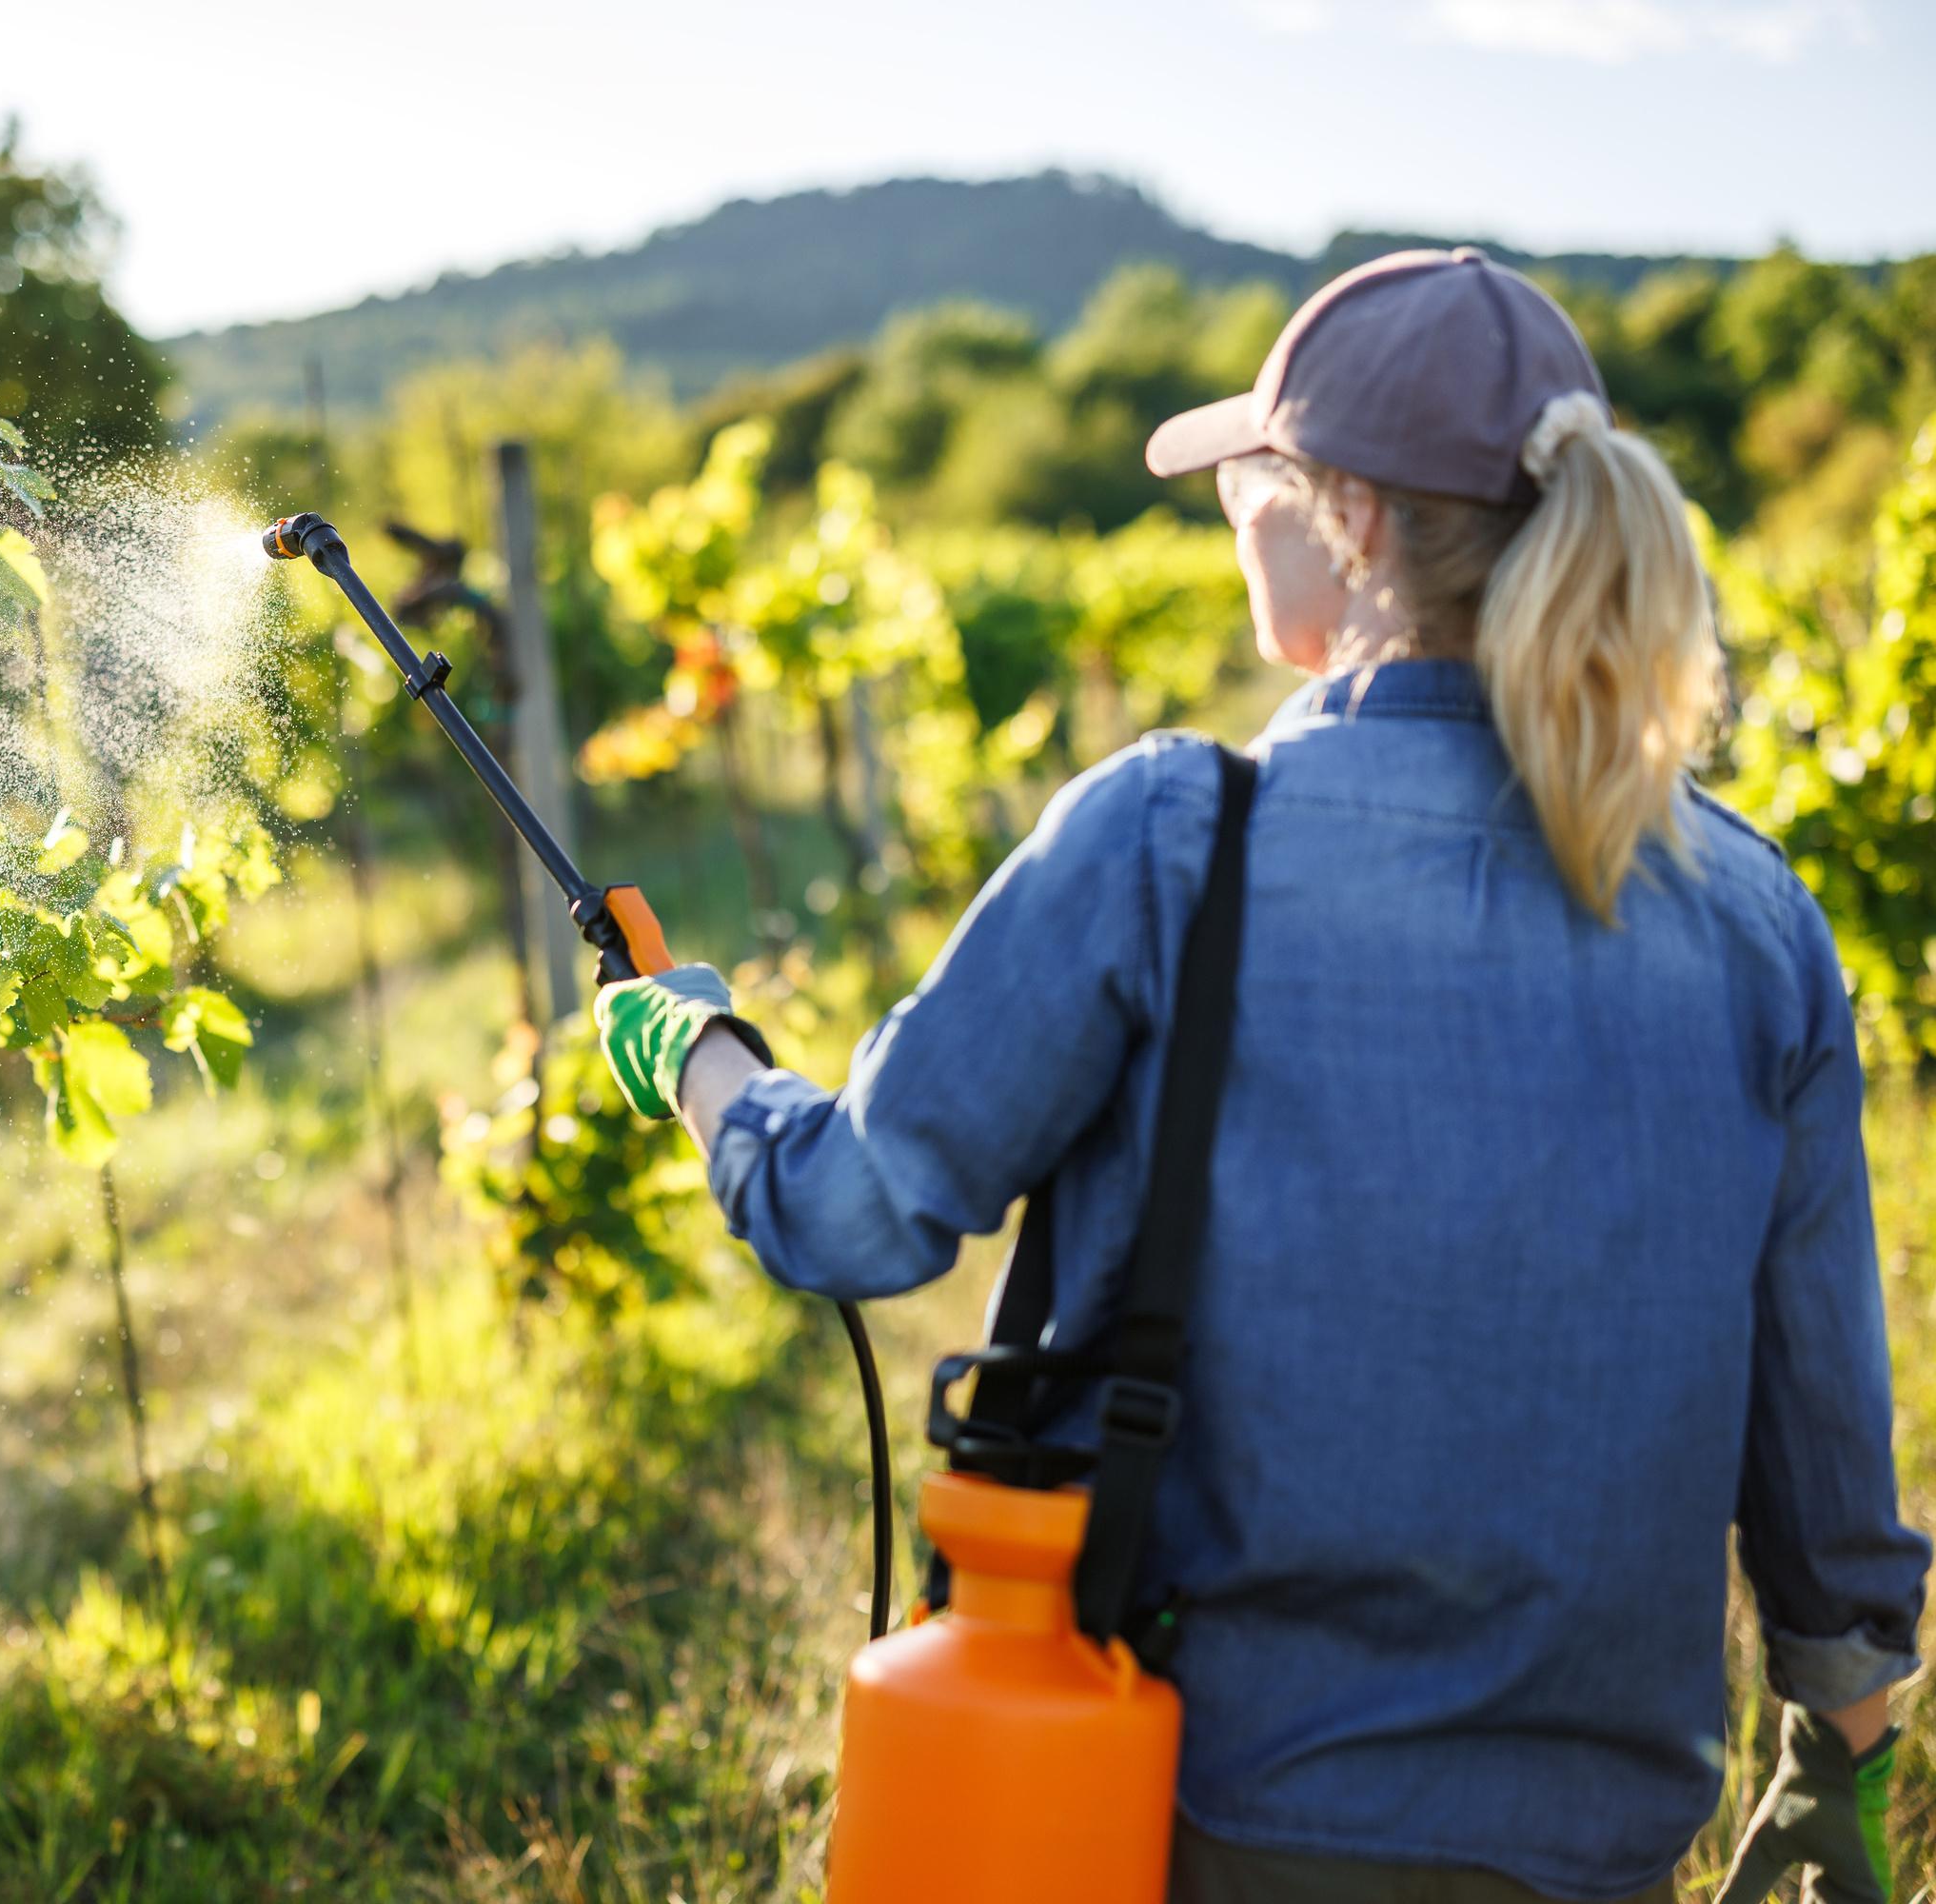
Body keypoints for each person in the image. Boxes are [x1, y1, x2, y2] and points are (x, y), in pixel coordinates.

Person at [596, 250, 1926, 1903]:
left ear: (1349, 518)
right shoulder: (1750, 913)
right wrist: (1841, 1751)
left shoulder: (1170, 840)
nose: (1233, 516)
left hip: (1216, 1816)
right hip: (1602, 1850)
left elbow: (850, 1217)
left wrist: (696, 1049)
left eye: (1252, 480)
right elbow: (1820, 1427)